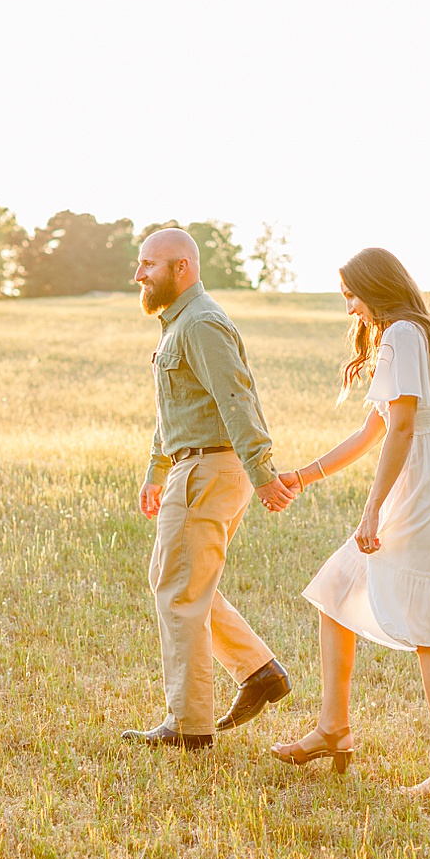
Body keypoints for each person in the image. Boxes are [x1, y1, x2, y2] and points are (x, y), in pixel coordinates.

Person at [269, 247, 430, 798]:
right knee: (336, 589)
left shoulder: (403, 335)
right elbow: (371, 432)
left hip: (421, 483)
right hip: (429, 476)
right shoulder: (411, 333)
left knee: (429, 629)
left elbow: (402, 429)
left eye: (352, 295)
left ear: (377, 288)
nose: (349, 309)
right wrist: (302, 476)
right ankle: (333, 730)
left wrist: (371, 509)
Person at [122, 228, 298, 751]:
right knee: (178, 581)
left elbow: (235, 400)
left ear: (182, 268)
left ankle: (190, 726)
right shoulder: (178, 324)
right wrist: (157, 471)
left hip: (211, 469)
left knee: (181, 590)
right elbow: (175, 409)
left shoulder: (201, 323)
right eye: (139, 264)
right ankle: (260, 671)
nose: (138, 275)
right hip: (190, 465)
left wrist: (264, 476)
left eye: (149, 265)